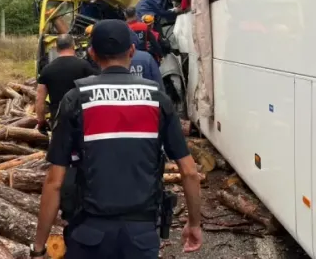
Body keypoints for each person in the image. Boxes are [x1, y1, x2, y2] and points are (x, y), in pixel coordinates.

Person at [32, 19, 202, 259]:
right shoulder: (157, 99)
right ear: (132, 50)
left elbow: (54, 182)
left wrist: (39, 248)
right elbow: (189, 171)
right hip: (141, 235)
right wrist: (194, 223)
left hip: (88, 233)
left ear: (91, 53)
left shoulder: (76, 100)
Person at [35, 34, 99, 132]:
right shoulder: (84, 66)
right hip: (81, 119)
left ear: (56, 48)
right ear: (73, 45)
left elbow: (39, 99)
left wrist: (41, 121)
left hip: (58, 120)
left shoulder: (47, 70)